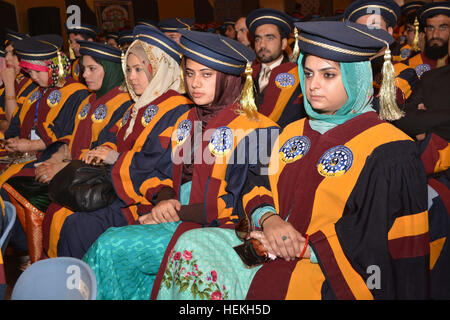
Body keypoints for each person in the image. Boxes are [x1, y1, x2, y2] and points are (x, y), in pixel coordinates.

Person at [153, 20, 430, 300]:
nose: (313, 85)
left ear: (356, 77)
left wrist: (303, 248)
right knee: (193, 245)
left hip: (330, 267)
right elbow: (256, 183)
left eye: (328, 75)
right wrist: (269, 218)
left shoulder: (390, 149)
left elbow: (373, 235)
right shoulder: (292, 132)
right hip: (267, 244)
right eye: (308, 74)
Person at [82, 30, 279, 300]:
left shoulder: (257, 129)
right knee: (108, 241)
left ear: (229, 79)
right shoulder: (187, 120)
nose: (195, 83)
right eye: (190, 73)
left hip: (220, 230)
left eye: (206, 75)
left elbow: (238, 204)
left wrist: (177, 211)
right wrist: (163, 200)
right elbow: (161, 171)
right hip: (177, 215)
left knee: (113, 246)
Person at [43, 25, 193, 260]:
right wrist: (106, 149)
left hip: (144, 198)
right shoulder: (138, 105)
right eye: (129, 69)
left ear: (160, 69)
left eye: (139, 70)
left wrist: (116, 158)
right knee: (57, 209)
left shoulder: (179, 110)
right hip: (118, 185)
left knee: (77, 225)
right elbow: (113, 135)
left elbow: (160, 163)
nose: (131, 77)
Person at [391, 63, 450, 299]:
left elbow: (415, 120)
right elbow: (406, 118)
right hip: (427, 172)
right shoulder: (434, 76)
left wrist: (426, 119)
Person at [343, 0, 419, 105]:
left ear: (390, 32)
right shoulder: (344, 69)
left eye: (374, 27)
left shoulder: (403, 72)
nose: (368, 34)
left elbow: (381, 109)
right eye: (360, 29)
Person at [246, 8, 306, 128]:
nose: (262, 45)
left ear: (284, 44)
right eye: (258, 39)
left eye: (270, 38)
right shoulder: (246, 74)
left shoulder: (299, 76)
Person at [0, 29, 37, 132]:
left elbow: (14, 124)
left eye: (14, 54)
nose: (7, 58)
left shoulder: (35, 84)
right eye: (6, 53)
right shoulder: (14, 80)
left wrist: (9, 85)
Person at [403, 2, 450, 77]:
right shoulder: (410, 67)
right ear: (425, 30)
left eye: (442, 28)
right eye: (430, 28)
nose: (435, 35)